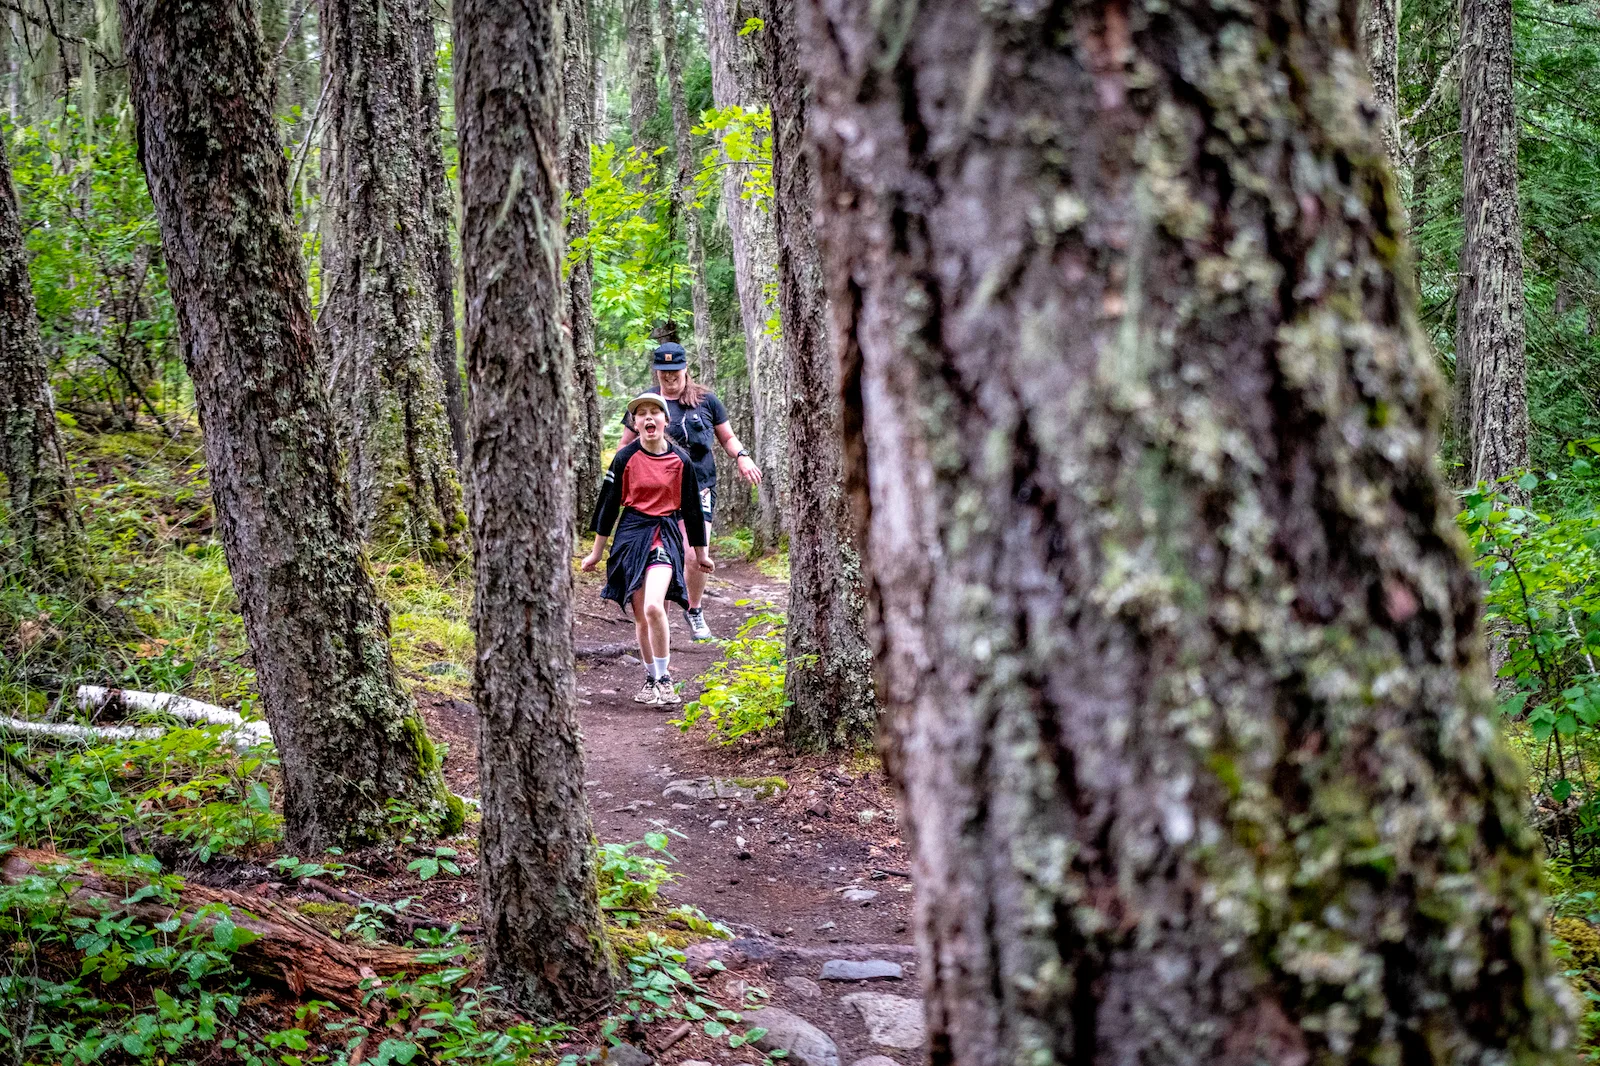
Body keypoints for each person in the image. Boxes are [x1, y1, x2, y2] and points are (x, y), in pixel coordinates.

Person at [618, 341, 761, 641]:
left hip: (699, 487)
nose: (669, 376)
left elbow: (727, 437)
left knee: (695, 554)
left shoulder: (706, 401)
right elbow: (625, 446)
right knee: (663, 556)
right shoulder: (646, 403)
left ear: (685, 368)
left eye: (675, 370)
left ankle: (694, 610)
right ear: (656, 371)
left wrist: (742, 456)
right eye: (663, 371)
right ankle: (660, 619)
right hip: (658, 493)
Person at [583, 392, 715, 707]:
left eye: (654, 412)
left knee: (655, 607)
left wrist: (701, 553)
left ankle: (665, 679)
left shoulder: (680, 460)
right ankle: (650, 677)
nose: (648, 418)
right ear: (636, 423)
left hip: (664, 533)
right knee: (641, 616)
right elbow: (608, 506)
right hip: (631, 535)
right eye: (641, 414)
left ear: (665, 420)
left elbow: (693, 511)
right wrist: (597, 552)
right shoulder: (625, 458)